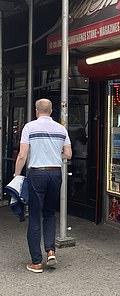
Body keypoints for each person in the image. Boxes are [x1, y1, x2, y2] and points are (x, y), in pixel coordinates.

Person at [14, 98, 72, 273]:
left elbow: (23, 155)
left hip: (37, 174)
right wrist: (55, 153)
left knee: (34, 216)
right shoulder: (61, 129)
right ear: (52, 111)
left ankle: (37, 262)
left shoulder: (29, 127)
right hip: (55, 173)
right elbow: (68, 154)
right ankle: (51, 251)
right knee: (49, 213)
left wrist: (17, 175)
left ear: (36, 111)